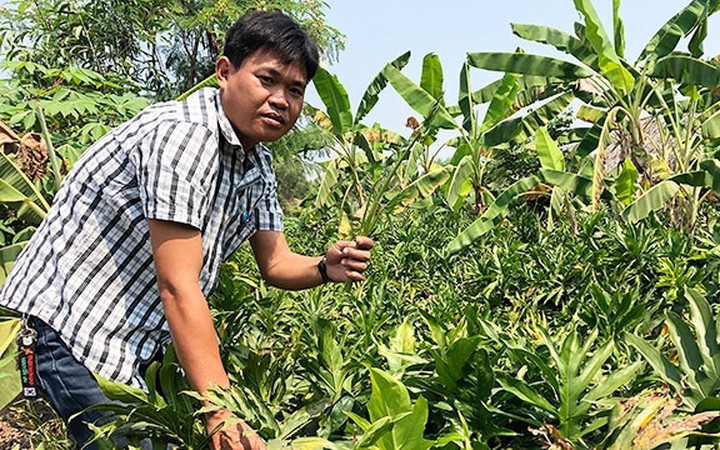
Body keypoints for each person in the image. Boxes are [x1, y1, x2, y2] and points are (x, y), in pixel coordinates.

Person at [0, 10, 372, 450]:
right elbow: (178, 285)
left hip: (135, 348)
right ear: (224, 72)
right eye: (267, 79)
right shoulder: (184, 136)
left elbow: (275, 262)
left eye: (294, 90)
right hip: (70, 330)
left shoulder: (257, 163)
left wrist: (324, 267)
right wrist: (221, 411)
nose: (280, 99)